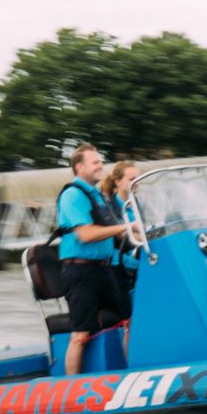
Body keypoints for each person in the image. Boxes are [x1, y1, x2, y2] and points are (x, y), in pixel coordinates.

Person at [54, 144, 136, 375]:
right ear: (80, 167)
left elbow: (119, 231)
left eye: (101, 161)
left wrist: (148, 233)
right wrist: (128, 226)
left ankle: (129, 376)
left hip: (104, 270)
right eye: (95, 162)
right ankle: (71, 389)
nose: (101, 165)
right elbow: (86, 234)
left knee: (129, 321)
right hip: (80, 273)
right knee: (80, 334)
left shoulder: (97, 196)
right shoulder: (72, 195)